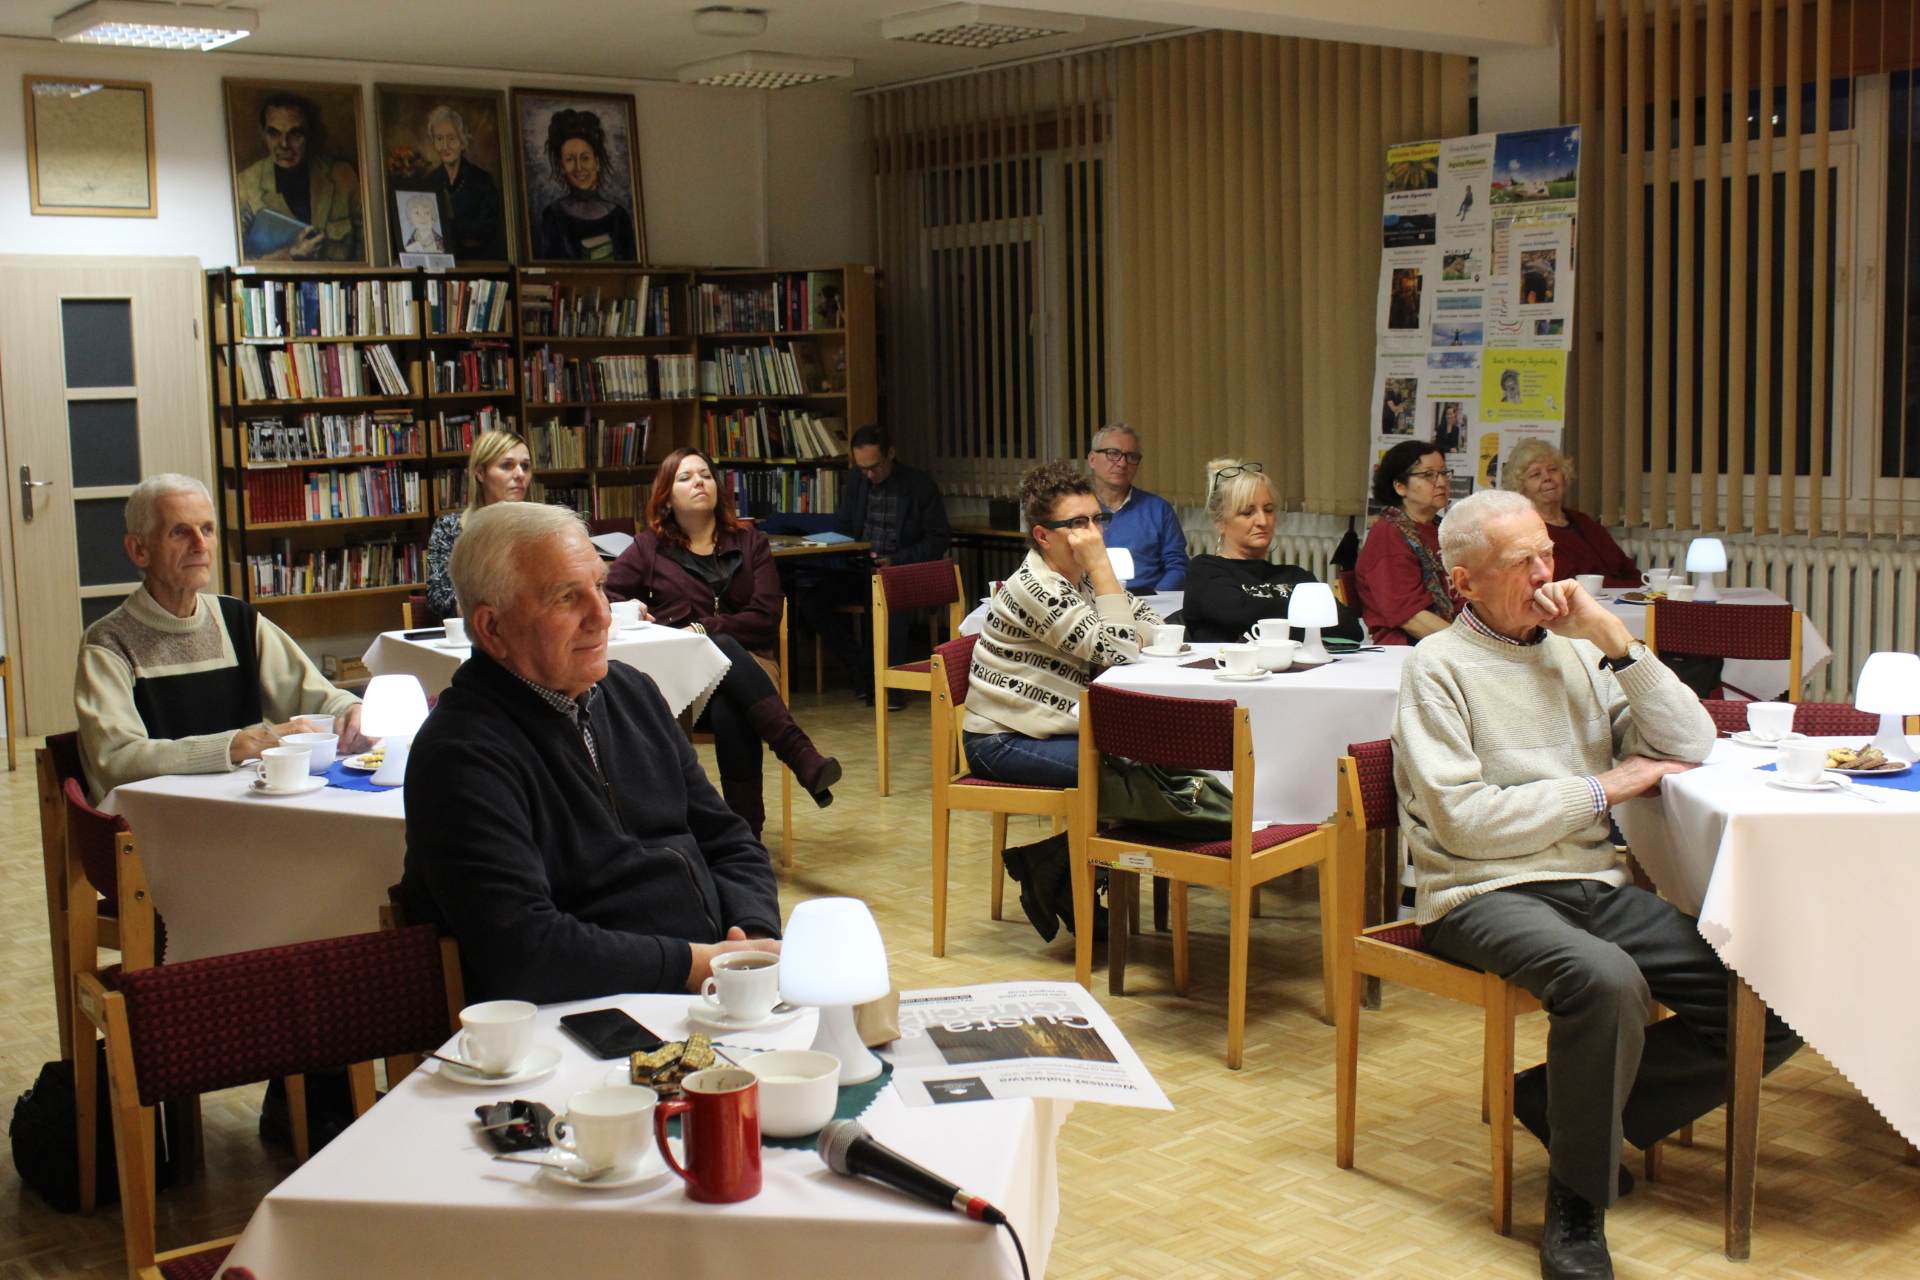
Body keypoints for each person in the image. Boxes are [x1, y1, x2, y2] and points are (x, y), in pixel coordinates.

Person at [1392, 490, 1799, 1280]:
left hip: (1588, 881)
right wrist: (1604, 788)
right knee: (1605, 981)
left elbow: (1691, 742)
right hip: (1478, 891)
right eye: (1523, 562)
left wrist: (1616, 640)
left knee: (1772, 1003)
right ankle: (1577, 1206)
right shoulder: (1435, 667)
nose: (1548, 574)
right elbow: (1467, 824)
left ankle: (1563, 1108)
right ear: (1466, 582)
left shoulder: (1577, 652)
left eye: (1548, 553)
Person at [400, 501, 782, 1005]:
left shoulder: (633, 693)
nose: (602, 616)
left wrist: (751, 937)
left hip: (711, 987)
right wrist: (696, 966)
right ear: (492, 628)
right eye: (566, 597)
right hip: (584, 1018)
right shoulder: (460, 755)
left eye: (600, 587)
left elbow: (729, 840)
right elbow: (524, 950)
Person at [74, 474, 368, 803]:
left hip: (245, 806)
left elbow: (318, 697)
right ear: (139, 550)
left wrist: (351, 711)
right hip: (157, 817)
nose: (200, 545)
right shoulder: (108, 642)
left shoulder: (237, 620)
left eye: (207, 529)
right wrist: (236, 745)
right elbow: (118, 760)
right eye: (180, 532)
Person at [607, 448, 841, 836]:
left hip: (754, 665)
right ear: (666, 497)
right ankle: (797, 760)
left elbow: (766, 616)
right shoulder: (650, 548)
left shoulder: (750, 542)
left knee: (729, 694)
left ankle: (744, 837)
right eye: (685, 478)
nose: (699, 482)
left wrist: (704, 629)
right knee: (722, 661)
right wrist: (637, 610)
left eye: (705, 474)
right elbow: (609, 597)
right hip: (684, 676)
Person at [963, 461, 1160, 788]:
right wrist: (1101, 565)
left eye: (1098, 519)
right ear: (1043, 535)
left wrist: (1126, 635)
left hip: (1057, 729)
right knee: (1130, 772)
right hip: (1003, 740)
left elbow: (1153, 621)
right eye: (1078, 523)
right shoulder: (1036, 587)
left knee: (1155, 754)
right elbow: (1120, 650)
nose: (1094, 534)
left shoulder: (1082, 576)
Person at [797, 424, 951, 705]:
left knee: (887, 599)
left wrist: (896, 560)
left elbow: (938, 539)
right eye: (862, 468)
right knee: (810, 601)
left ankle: (892, 687)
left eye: (874, 467)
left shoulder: (919, 486)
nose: (869, 474)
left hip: (901, 570)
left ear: (890, 454)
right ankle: (861, 669)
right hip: (861, 568)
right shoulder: (858, 482)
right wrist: (846, 548)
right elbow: (845, 526)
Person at [1181, 459, 1363, 644]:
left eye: (1268, 510)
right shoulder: (1205, 571)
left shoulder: (1297, 576)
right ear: (1219, 522)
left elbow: (1350, 629)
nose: (1263, 521)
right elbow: (1239, 614)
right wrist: (1307, 614)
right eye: (1247, 513)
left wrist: (1268, 615)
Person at [234, 91, 362, 262]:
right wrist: (290, 254)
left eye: (295, 134)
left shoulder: (343, 178)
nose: (284, 144)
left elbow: (367, 253)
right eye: (274, 133)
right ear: (263, 134)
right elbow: (239, 261)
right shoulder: (245, 184)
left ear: (309, 135)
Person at [1354, 439, 1460, 645]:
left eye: (1443, 473)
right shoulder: (1388, 535)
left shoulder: (1440, 528)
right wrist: (1472, 646)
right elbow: (1411, 618)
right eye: (1428, 475)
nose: (1441, 482)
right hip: (1411, 647)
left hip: (1450, 637)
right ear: (1400, 487)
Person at [1503, 439, 1639, 587]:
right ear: (1521, 487)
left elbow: (1630, 572)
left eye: (1552, 469)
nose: (1547, 477)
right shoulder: (1526, 532)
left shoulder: (1583, 521)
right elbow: (1562, 584)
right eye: (1536, 474)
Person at [426, 429, 531, 620]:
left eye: (525, 466)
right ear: (481, 473)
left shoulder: (539, 530)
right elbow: (439, 598)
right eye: (507, 465)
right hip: (471, 630)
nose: (520, 474)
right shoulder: (449, 528)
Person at [1085, 423, 1188, 592]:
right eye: (1113, 454)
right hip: (1088, 599)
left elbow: (1178, 566)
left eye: (1131, 457)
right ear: (1092, 459)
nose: (1122, 463)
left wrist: (1157, 597)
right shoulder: (1075, 510)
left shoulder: (1158, 509)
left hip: (1149, 599)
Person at [534, 108, 636, 262]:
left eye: (585, 158)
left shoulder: (619, 217)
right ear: (562, 167)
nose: (579, 167)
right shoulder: (553, 215)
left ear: (597, 163)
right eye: (570, 159)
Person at [422, 104, 508, 261]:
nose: (445, 146)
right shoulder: (429, 182)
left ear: (462, 141)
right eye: (439, 139)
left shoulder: (483, 181)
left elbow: (488, 230)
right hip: (440, 265)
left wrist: (451, 228)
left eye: (451, 138)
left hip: (478, 264)